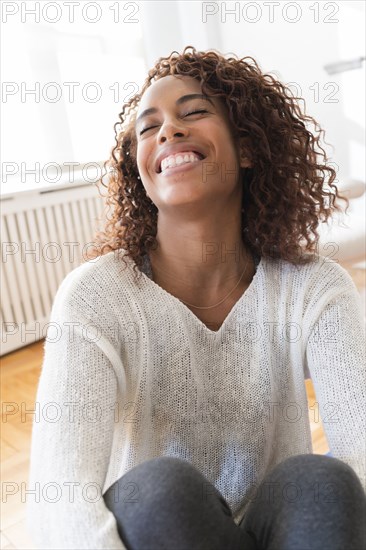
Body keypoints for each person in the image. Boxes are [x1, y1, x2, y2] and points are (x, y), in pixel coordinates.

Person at [27, 46, 366, 549]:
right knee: (161, 490)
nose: (168, 130)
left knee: (323, 485)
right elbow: (59, 497)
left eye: (194, 112)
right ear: (141, 171)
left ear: (247, 148)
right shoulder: (95, 296)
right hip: (160, 530)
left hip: (279, 530)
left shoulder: (315, 287)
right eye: (148, 127)